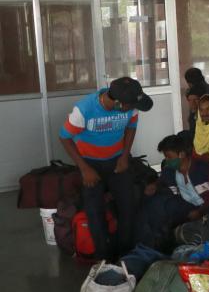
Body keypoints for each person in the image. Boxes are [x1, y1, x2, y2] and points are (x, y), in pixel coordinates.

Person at [59, 77, 153, 260]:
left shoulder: (130, 105)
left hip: (117, 161)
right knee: (94, 211)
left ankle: (126, 255)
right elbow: (64, 137)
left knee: (128, 206)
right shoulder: (84, 109)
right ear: (118, 103)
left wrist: (125, 156)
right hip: (89, 164)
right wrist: (84, 168)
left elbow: (131, 127)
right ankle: (103, 258)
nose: (134, 108)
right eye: (131, 105)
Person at [136, 133, 209, 249]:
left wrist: (201, 211)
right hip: (188, 208)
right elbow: (161, 184)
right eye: (165, 157)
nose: (166, 161)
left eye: (169, 157)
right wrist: (154, 186)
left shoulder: (205, 168)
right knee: (154, 203)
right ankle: (153, 244)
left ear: (181, 154)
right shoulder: (170, 172)